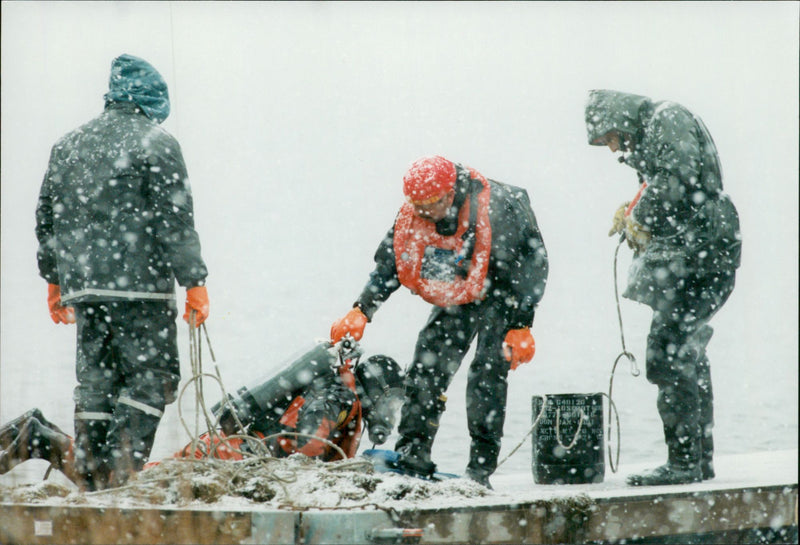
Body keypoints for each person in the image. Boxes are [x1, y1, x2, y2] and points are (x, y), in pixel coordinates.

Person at [34, 54, 210, 490]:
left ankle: (91, 481)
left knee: (96, 384)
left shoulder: (67, 144)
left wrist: (55, 280)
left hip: (85, 292)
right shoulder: (157, 142)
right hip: (141, 289)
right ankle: (117, 479)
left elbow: (46, 219)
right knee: (152, 381)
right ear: (152, 99)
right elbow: (175, 219)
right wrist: (195, 282)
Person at [330, 156, 548, 488]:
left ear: (450, 195)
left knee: (487, 376)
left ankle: (479, 471)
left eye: (430, 205)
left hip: (502, 292)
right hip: (459, 292)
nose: (423, 213)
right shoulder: (414, 215)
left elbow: (534, 261)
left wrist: (523, 323)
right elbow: (391, 261)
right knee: (426, 367)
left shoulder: (499, 207)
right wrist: (362, 309)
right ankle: (413, 456)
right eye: (416, 205)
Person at [585, 90, 741, 486]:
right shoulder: (655, 127)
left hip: (701, 252)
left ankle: (684, 463)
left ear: (617, 121)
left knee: (667, 355)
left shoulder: (665, 120)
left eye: (608, 139)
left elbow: (676, 178)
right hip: (702, 251)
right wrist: (633, 208)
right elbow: (668, 183)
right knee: (686, 353)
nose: (611, 148)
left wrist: (642, 215)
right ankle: (697, 461)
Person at [0, 354, 404, 482]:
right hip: (226, 459)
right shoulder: (338, 396)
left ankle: (42, 432)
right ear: (377, 390)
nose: (391, 411)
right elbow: (308, 449)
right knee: (116, 487)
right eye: (392, 400)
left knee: (122, 481)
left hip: (227, 452)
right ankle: (38, 439)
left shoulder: (338, 391)